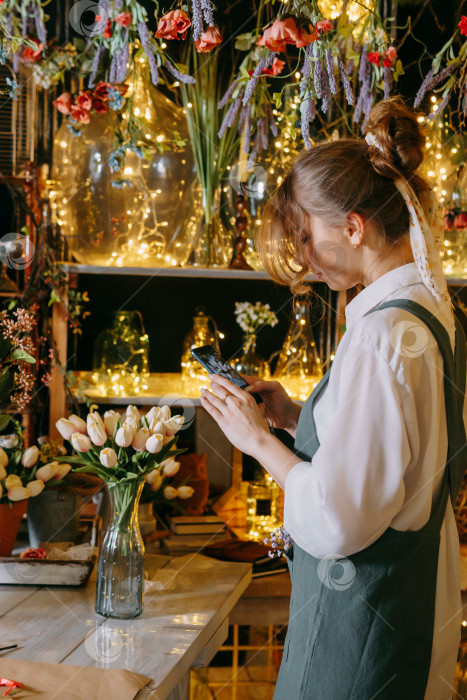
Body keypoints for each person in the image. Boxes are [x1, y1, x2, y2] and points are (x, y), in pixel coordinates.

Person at [199, 97, 467, 699]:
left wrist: (259, 442)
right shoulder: (430, 313)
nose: (304, 256)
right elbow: (397, 451)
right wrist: (295, 417)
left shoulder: (381, 335)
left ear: (352, 227)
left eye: (307, 234)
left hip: (360, 638)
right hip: (409, 614)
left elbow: (338, 519)